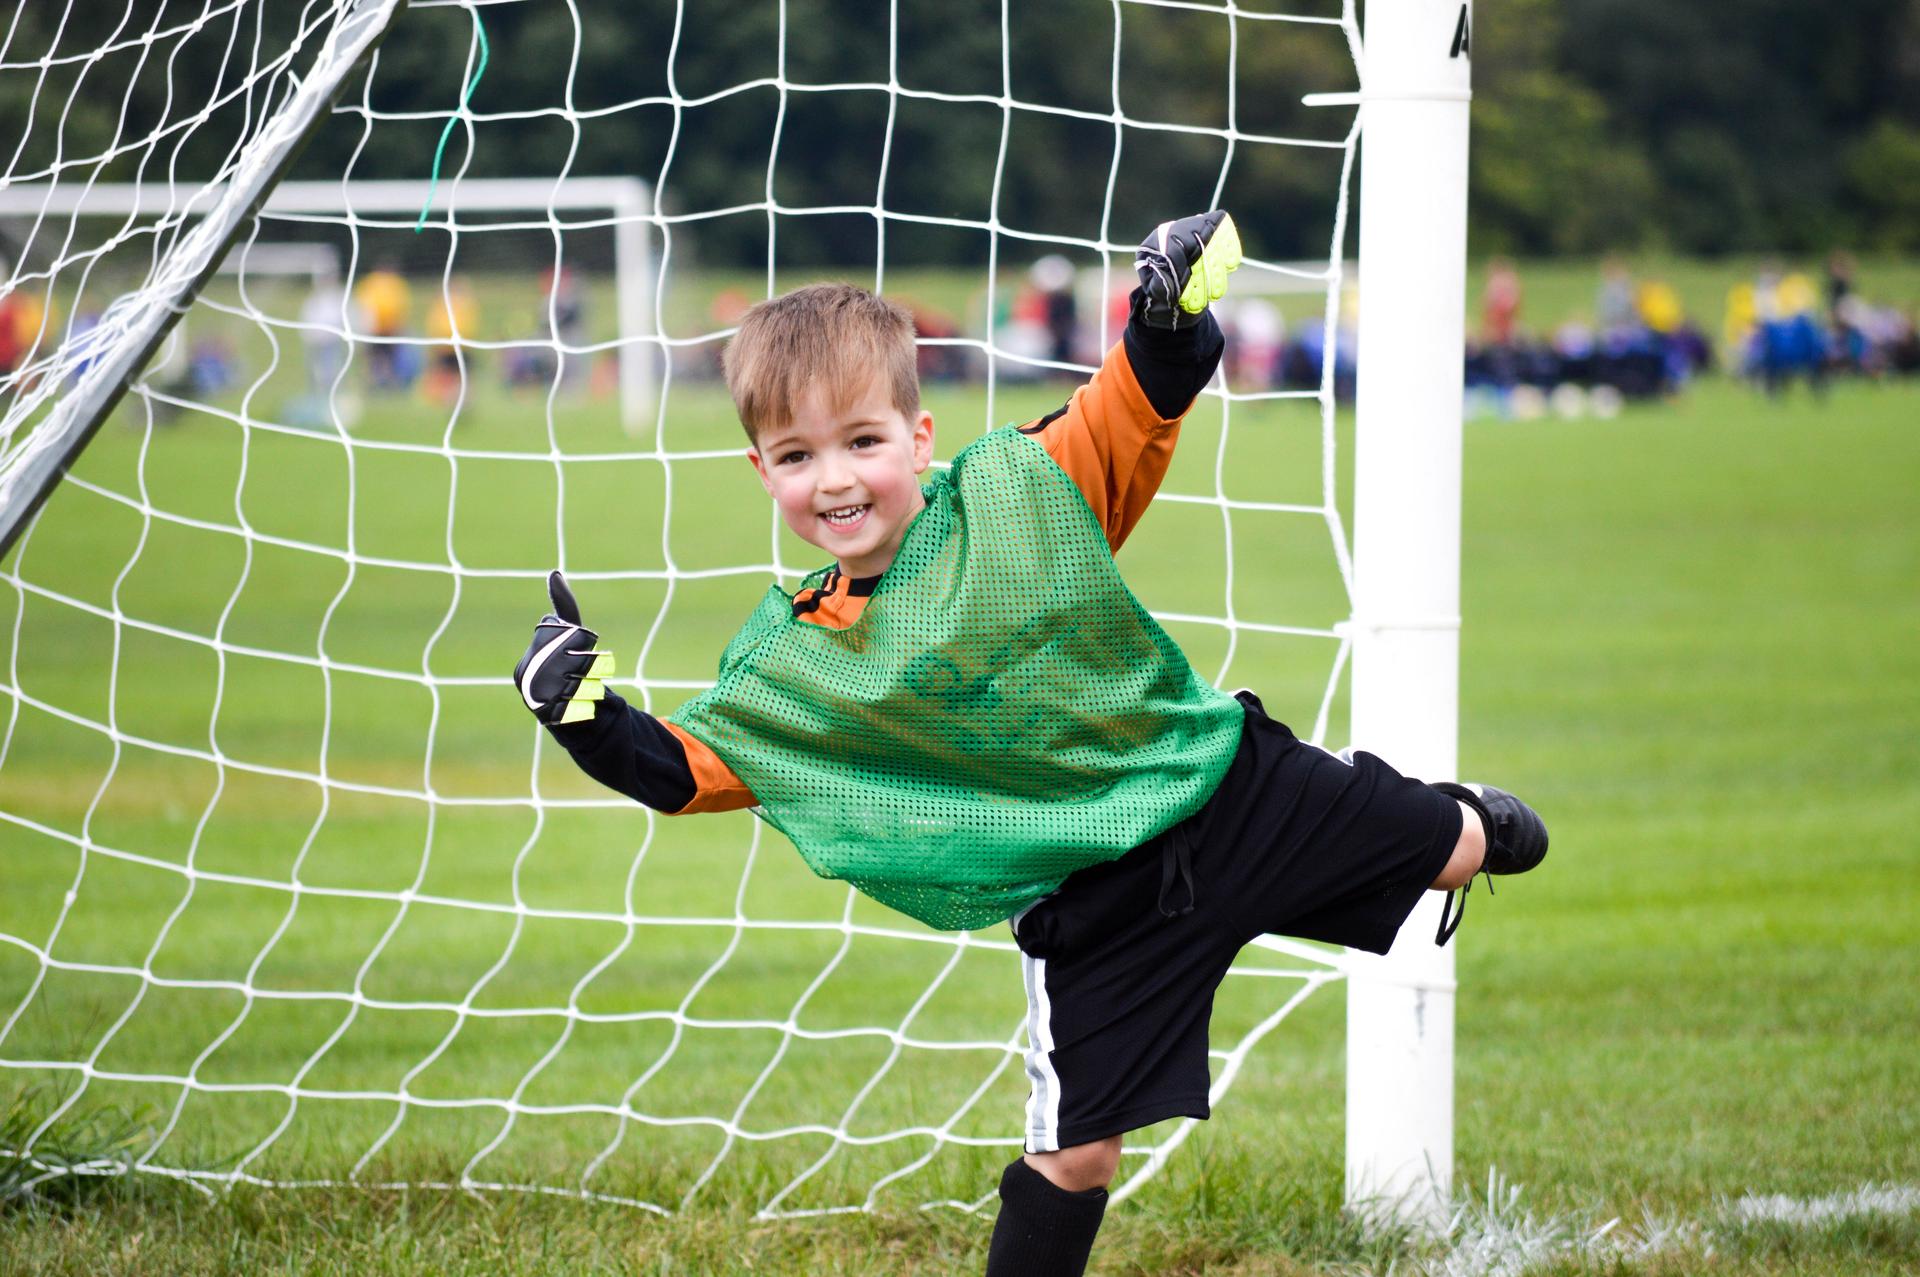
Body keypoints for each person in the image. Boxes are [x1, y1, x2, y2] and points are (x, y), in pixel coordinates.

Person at [512, 212, 1548, 1277]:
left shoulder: (1019, 490)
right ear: (760, 468)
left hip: (1225, 789)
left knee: (1482, 846)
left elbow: (1135, 400)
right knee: (1074, 1153)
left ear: (918, 438)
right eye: (796, 455)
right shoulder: (795, 660)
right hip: (1096, 903)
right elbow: (694, 768)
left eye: (861, 441)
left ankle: (1454, 814)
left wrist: (1167, 309)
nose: (835, 479)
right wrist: (581, 708)